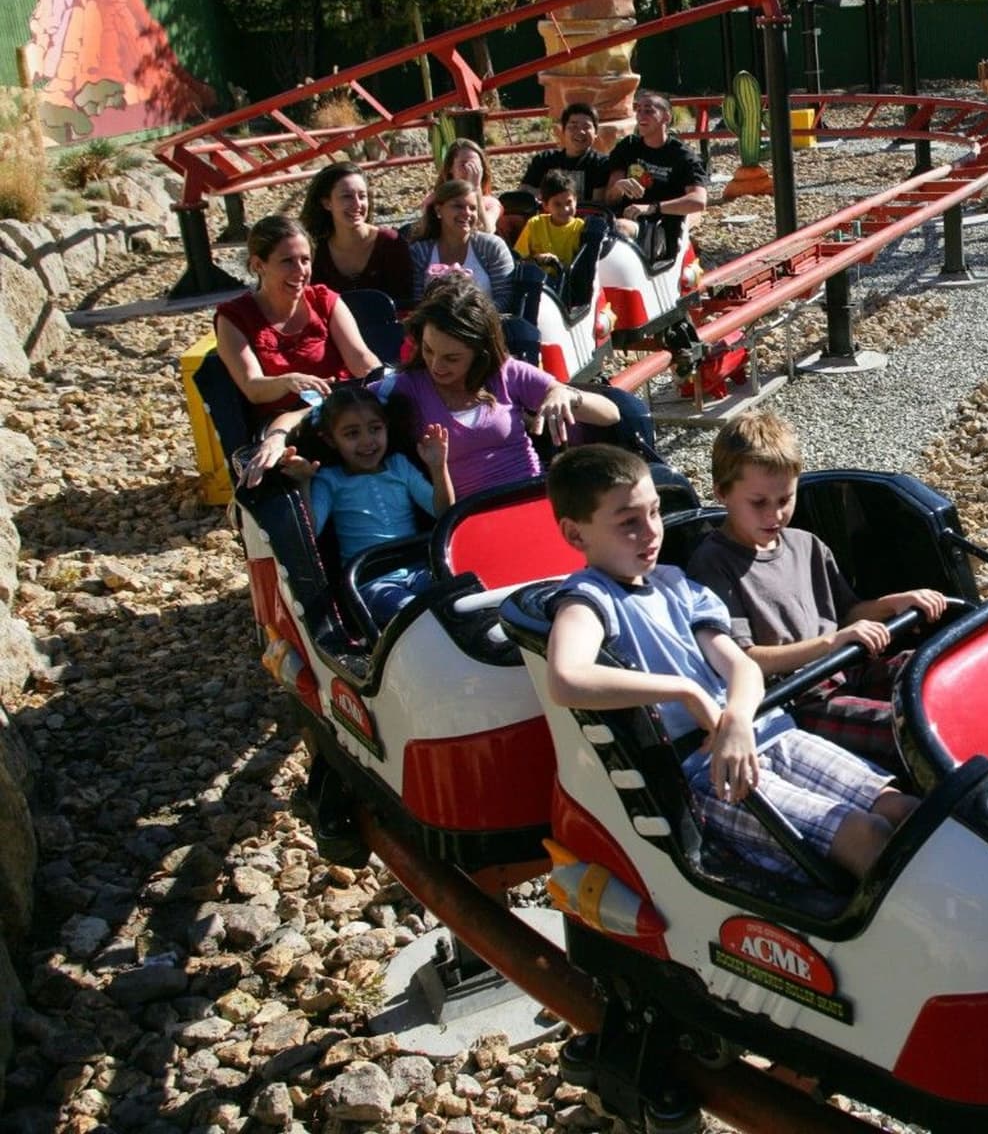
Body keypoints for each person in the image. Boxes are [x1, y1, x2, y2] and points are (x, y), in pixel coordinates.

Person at [543, 445, 917, 881]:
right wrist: (687, 691)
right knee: (866, 836)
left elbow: (740, 665)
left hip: (766, 731)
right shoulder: (589, 599)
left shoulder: (675, 584)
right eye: (629, 522)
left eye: (655, 512)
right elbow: (566, 678)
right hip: (706, 769)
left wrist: (736, 717)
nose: (651, 532)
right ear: (576, 535)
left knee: (904, 811)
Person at [686, 412, 945, 765]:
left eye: (784, 500)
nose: (774, 515)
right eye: (758, 502)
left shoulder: (806, 544)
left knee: (940, 668)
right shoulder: (714, 563)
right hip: (799, 699)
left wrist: (890, 605)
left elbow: (846, 614)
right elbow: (745, 659)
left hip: (849, 667)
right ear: (722, 493)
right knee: (912, 728)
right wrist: (830, 644)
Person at [378, 279, 648, 497]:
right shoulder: (407, 386)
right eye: (428, 350)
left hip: (530, 494)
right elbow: (358, 404)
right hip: (468, 518)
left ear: (480, 353)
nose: (436, 365)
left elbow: (611, 413)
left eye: (452, 358)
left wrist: (564, 393)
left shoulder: (505, 374)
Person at [214, 216, 382, 483]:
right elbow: (252, 387)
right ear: (258, 265)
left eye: (305, 260)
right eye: (287, 261)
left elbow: (360, 358)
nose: (300, 270)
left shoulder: (324, 300)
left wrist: (383, 380)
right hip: (287, 424)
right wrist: (287, 381)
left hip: (342, 408)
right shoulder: (235, 317)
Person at [284, 386, 454, 623]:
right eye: (352, 434)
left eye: (375, 429)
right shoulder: (330, 479)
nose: (367, 441)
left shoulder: (399, 466)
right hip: (370, 580)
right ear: (331, 440)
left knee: (453, 595)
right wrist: (303, 482)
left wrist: (438, 467)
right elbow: (310, 531)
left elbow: (443, 512)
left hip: (419, 568)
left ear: (386, 427)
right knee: (412, 612)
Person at [606, 90, 707, 259]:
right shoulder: (627, 147)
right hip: (624, 221)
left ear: (666, 117)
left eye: (649, 110)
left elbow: (698, 201)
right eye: (638, 110)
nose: (641, 115)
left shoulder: (683, 156)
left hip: (660, 229)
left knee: (619, 228)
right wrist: (618, 187)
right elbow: (610, 198)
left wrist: (652, 208)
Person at [299, 162, 413, 307]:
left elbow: (406, 303)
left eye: (362, 196)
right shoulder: (315, 250)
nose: (357, 204)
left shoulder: (391, 244)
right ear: (327, 203)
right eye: (347, 196)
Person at [408, 179, 517, 310]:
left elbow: (505, 299)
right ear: (438, 210)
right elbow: (417, 303)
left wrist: (472, 317)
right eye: (458, 206)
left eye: (473, 208)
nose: (467, 213)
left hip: (486, 321)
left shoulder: (491, 247)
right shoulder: (420, 252)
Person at [519, 102, 613, 207]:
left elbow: (597, 203)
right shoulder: (544, 159)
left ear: (596, 133)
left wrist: (550, 197)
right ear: (563, 131)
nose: (580, 132)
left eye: (586, 127)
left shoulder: (602, 163)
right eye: (573, 126)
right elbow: (524, 191)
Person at [428, 139, 504, 236]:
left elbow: (486, 230)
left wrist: (475, 188)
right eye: (463, 164)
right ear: (450, 168)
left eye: (475, 165)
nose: (470, 170)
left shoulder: (491, 204)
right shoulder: (436, 200)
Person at [514, 170, 585, 273]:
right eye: (557, 204)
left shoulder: (581, 228)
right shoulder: (534, 224)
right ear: (545, 205)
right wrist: (537, 259)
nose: (565, 209)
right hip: (538, 279)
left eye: (569, 203)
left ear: (576, 201)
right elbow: (518, 259)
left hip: (568, 280)